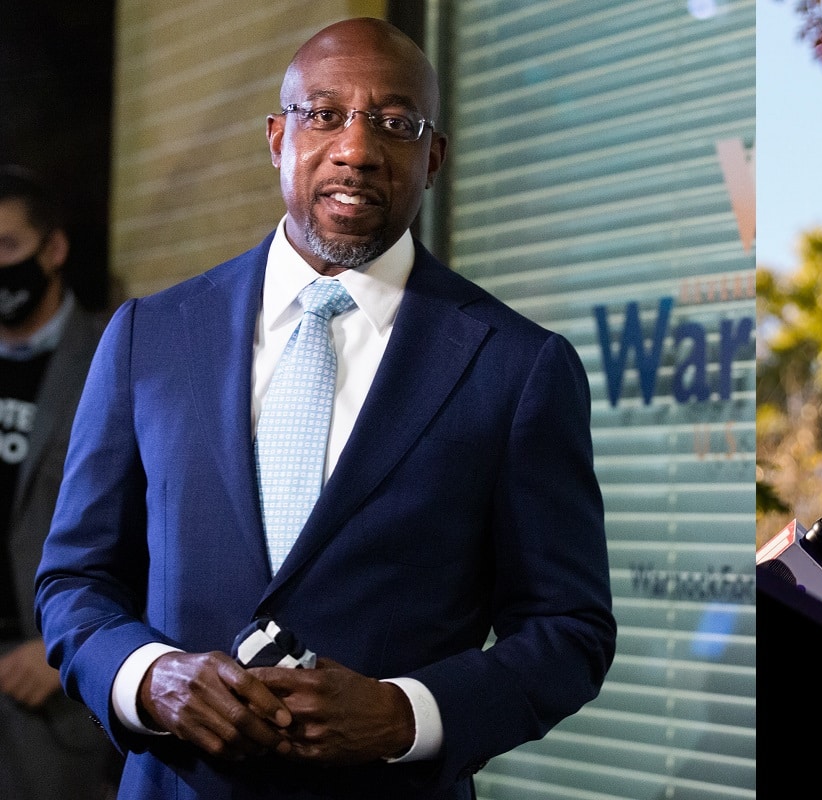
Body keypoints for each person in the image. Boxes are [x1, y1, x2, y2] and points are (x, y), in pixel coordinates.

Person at [35, 18, 614, 799]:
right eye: (324, 113)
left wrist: (405, 715)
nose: (357, 148)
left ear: (433, 156)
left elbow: (568, 631)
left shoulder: (518, 367)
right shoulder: (149, 336)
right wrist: (147, 676)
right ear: (277, 137)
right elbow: (74, 581)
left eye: (395, 123)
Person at [0, 168, 116, 799]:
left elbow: (154, 524)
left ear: (54, 250)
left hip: (53, 695)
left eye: (7, 249)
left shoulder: (114, 355)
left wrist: (67, 644)